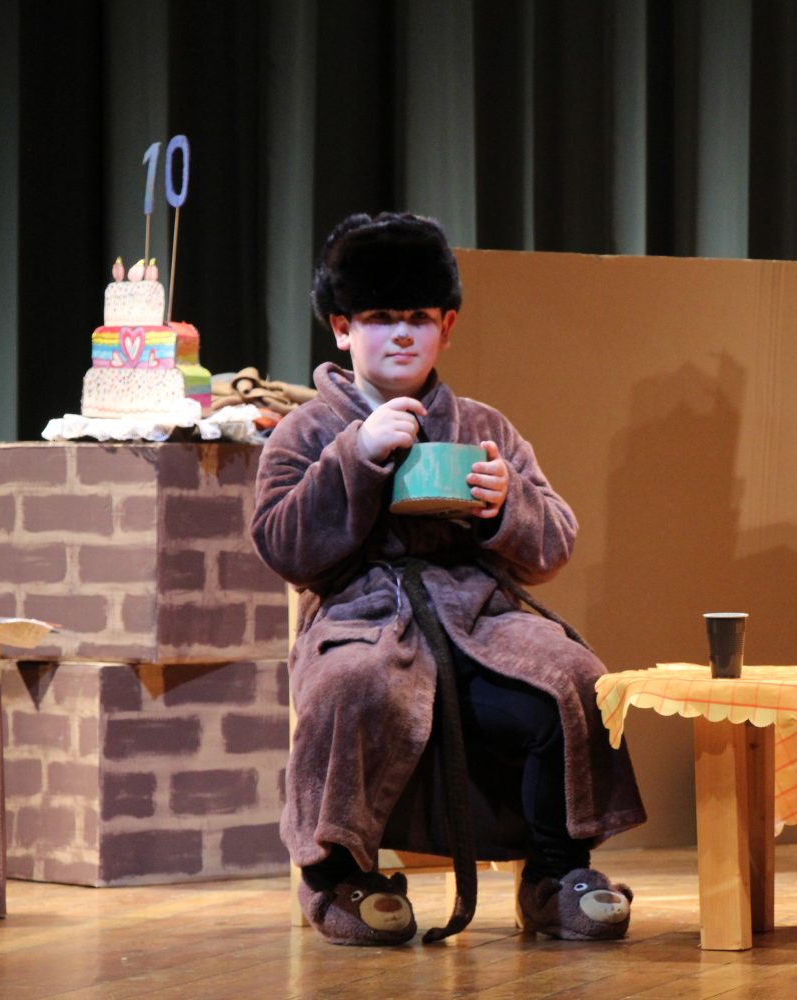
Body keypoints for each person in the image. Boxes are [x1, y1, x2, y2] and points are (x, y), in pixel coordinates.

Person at [252, 212, 645, 947]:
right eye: (379, 318)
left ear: (447, 327)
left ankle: (553, 875)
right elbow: (280, 543)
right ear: (342, 328)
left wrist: (508, 505)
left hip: (479, 619)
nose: (401, 334)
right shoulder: (307, 430)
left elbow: (554, 544)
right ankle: (338, 879)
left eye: (419, 318)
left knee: (572, 677)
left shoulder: (484, 425)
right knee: (350, 685)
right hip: (363, 619)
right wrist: (355, 455)